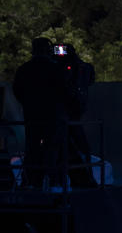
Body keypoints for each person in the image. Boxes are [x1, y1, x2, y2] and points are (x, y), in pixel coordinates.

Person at [12, 38, 70, 189]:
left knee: (32, 149)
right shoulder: (56, 69)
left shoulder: (24, 69)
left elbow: (17, 91)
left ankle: (32, 182)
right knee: (53, 149)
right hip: (53, 117)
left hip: (32, 117)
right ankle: (54, 183)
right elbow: (66, 91)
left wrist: (29, 104)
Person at [61, 43, 97, 188]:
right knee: (80, 149)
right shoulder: (80, 67)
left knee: (79, 149)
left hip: (69, 117)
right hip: (67, 118)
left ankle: (83, 181)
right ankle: (84, 181)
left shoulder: (80, 68)